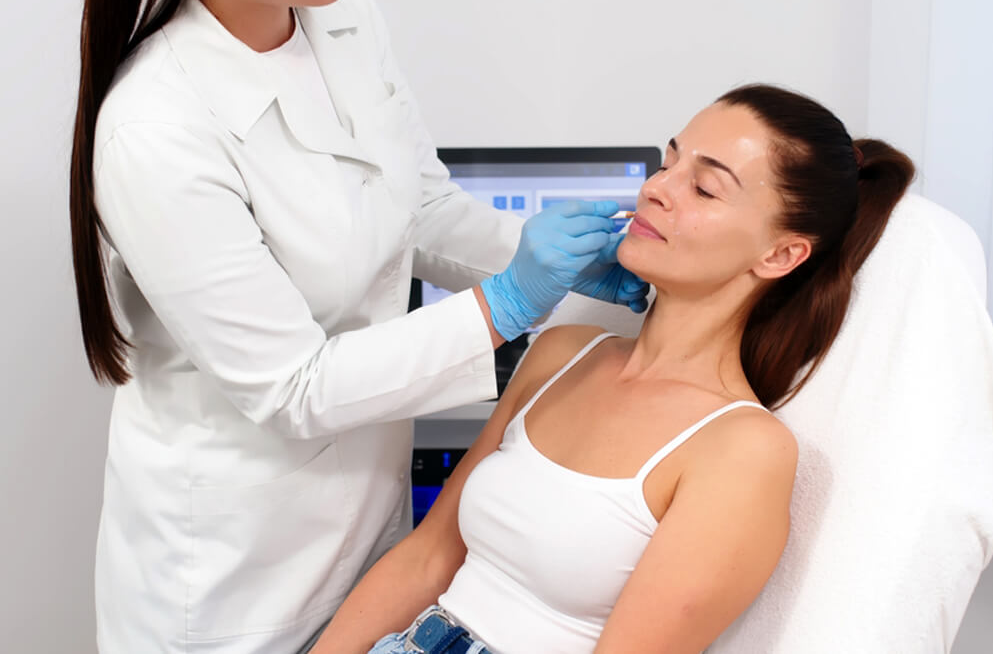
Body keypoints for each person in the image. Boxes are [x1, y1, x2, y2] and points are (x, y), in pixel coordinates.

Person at [68, 0, 648, 651]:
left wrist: (563, 275)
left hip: (375, 534)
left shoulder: (342, 13)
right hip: (237, 577)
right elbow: (292, 386)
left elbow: (416, 210)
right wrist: (507, 303)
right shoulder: (155, 126)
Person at [310, 84, 916, 653]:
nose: (657, 188)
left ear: (781, 253)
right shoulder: (563, 351)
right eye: (668, 161)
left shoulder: (741, 448)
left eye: (704, 189)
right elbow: (428, 556)